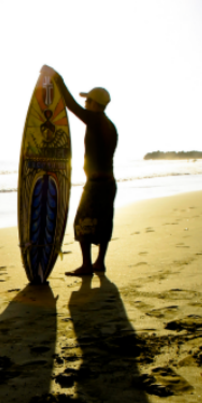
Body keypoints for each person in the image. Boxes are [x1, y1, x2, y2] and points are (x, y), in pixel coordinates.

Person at [43, 66, 119, 276]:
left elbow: (71, 106)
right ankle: (99, 263)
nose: (86, 104)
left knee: (81, 221)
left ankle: (87, 265)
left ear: (95, 104)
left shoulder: (95, 121)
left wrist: (57, 78)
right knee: (104, 222)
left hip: (96, 185)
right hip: (109, 183)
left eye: (88, 101)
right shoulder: (110, 126)